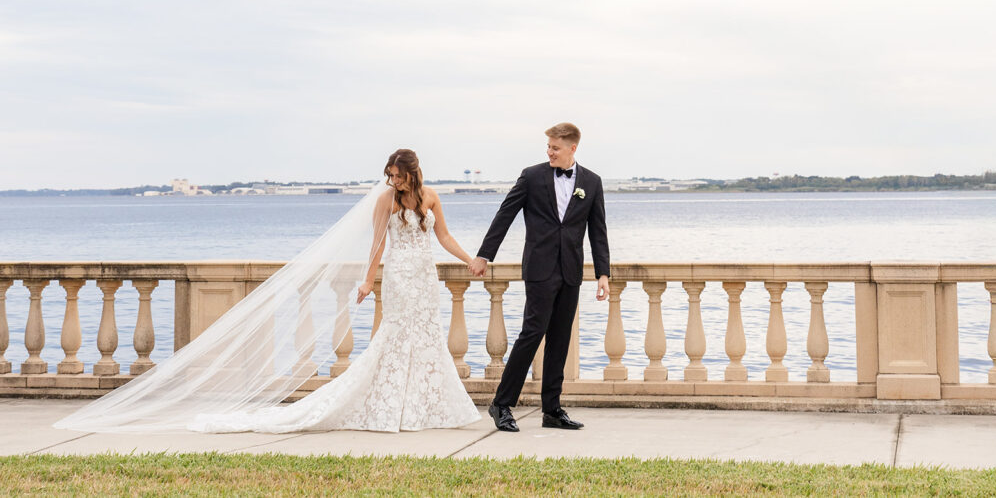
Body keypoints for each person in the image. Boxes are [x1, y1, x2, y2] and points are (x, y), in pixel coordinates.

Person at [55, 149, 480, 434]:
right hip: (400, 278)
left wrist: (470, 260)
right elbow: (377, 244)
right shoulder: (385, 202)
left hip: (424, 277)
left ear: (413, 173)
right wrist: (369, 281)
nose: (393, 181)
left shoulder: (430, 197)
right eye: (389, 176)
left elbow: (443, 237)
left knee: (426, 339)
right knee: (395, 338)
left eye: (398, 175)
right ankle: (391, 407)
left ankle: (426, 406)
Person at [468, 122, 610, 432]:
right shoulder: (532, 176)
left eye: (555, 148)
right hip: (539, 269)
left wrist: (603, 273)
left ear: (573, 148)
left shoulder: (592, 182)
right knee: (531, 335)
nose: (549, 152)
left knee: (560, 340)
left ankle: (552, 409)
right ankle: (501, 403)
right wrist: (484, 254)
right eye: (548, 147)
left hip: (571, 271)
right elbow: (505, 214)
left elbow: (598, 231)